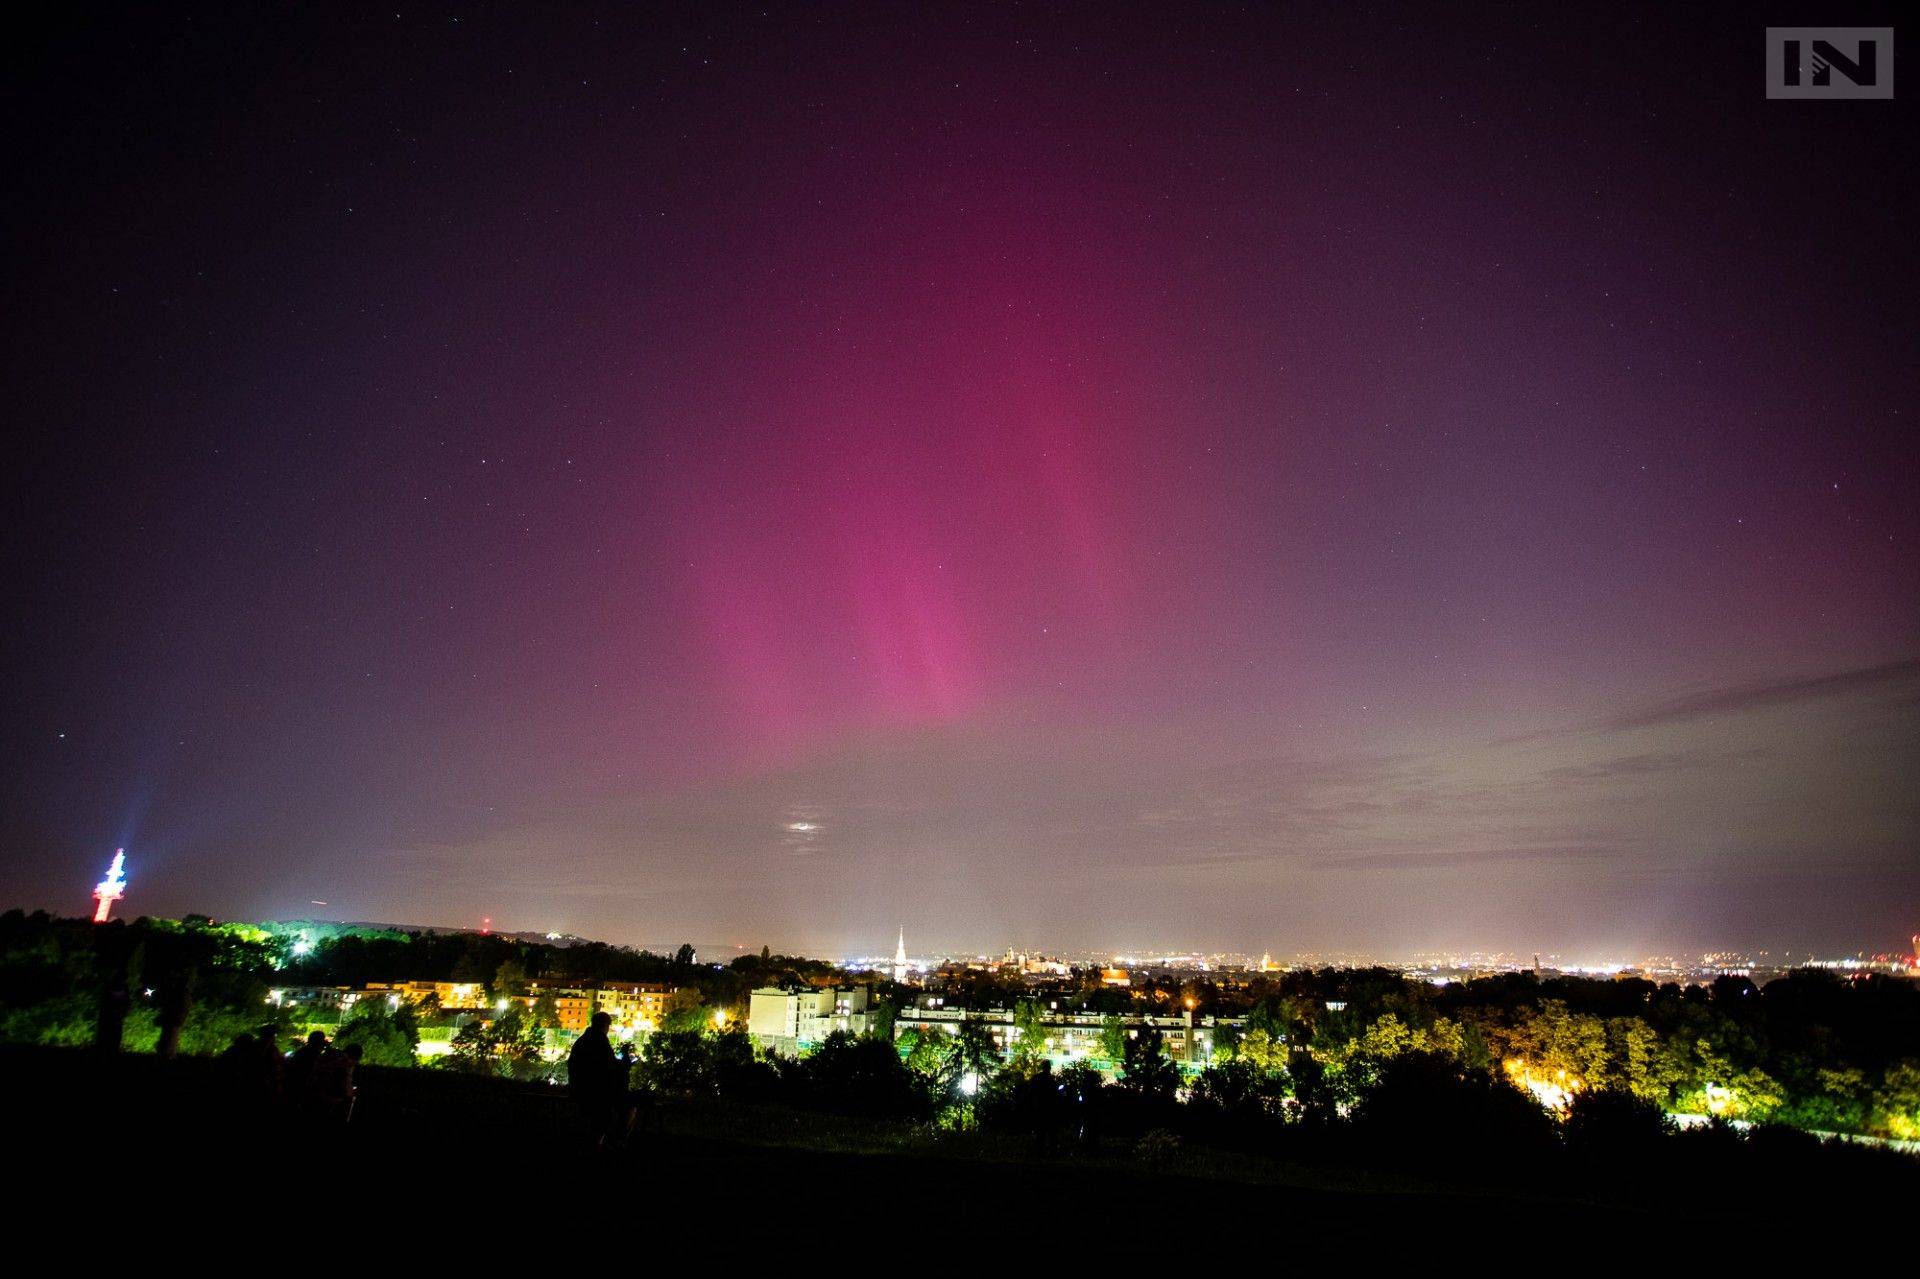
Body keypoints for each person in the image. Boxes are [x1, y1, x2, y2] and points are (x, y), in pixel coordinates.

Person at [568, 1012, 621, 1146]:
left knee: (588, 1125)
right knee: (601, 1124)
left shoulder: (582, 1040)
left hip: (579, 1090)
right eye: (608, 1026)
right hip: (596, 1094)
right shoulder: (600, 1041)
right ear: (604, 1025)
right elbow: (609, 1067)